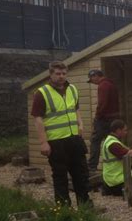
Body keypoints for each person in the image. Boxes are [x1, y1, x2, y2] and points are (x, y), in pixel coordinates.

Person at [31, 61, 92, 206]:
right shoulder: (42, 93)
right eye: (58, 73)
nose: (61, 76)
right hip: (56, 142)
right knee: (60, 177)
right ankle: (64, 210)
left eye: (64, 73)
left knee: (81, 175)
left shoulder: (72, 89)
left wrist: (80, 124)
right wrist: (43, 142)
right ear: (51, 74)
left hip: (74, 140)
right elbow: (37, 119)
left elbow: (75, 109)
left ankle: (85, 206)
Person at [101, 119, 132, 196]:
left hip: (114, 175)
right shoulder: (113, 144)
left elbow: (128, 151)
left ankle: (109, 189)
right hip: (115, 178)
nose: (126, 132)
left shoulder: (112, 140)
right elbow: (129, 154)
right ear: (118, 130)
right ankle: (115, 190)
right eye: (125, 130)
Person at [87, 69, 120, 172]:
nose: (92, 82)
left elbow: (102, 103)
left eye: (92, 79)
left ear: (96, 76)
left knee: (95, 141)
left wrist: (97, 116)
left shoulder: (103, 85)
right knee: (111, 142)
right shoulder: (111, 84)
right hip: (113, 119)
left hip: (104, 119)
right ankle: (115, 164)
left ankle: (92, 166)